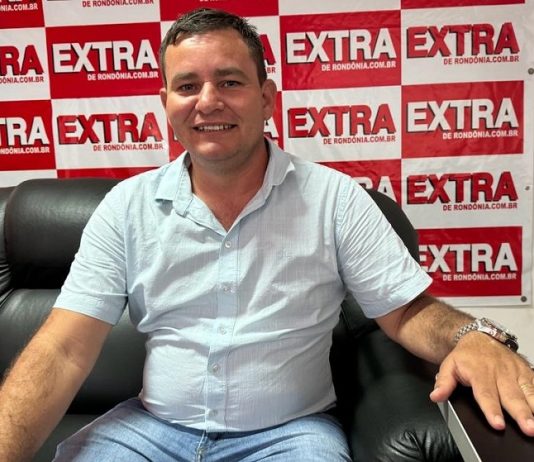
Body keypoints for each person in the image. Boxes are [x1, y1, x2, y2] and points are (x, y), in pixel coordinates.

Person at [1, 7, 534, 461]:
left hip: (290, 435)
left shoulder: (335, 199)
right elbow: (63, 349)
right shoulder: (126, 207)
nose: (207, 101)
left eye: (230, 82)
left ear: (267, 97)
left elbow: (406, 312)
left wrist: (474, 337)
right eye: (187, 86)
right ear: (166, 104)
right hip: (148, 430)